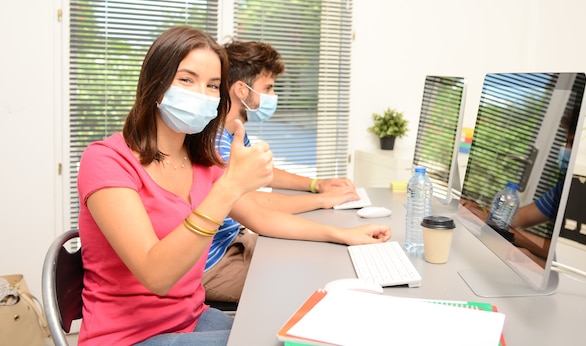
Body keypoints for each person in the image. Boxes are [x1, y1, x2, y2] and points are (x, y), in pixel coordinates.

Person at [77, 26, 390, 345]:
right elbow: (156, 275)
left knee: (297, 331)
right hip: (129, 338)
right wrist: (228, 187)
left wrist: (343, 235)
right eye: (187, 80)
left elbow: (261, 218)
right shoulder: (105, 161)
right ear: (155, 84)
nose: (201, 94)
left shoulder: (200, 159)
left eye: (213, 85)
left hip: (189, 318)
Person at [203, 40, 361, 304]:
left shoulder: (232, 131)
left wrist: (317, 184)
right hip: (214, 262)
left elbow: (263, 173)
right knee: (303, 284)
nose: (272, 96)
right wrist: (321, 201)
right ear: (242, 89)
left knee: (312, 256)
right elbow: (253, 207)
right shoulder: (212, 142)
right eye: (268, 88)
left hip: (234, 238)